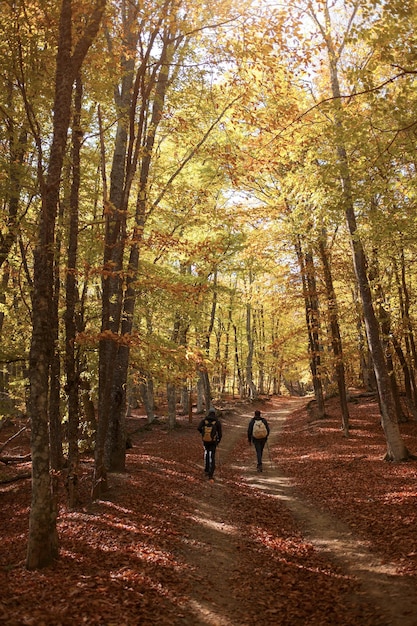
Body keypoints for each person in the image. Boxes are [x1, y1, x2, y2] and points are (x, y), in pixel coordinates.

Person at [197, 407, 222, 481]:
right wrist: (218, 441)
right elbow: (220, 433)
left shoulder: (204, 420)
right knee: (212, 455)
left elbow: (198, 428)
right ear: (214, 413)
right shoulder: (217, 422)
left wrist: (203, 433)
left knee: (206, 453)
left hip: (205, 441)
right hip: (213, 441)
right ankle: (211, 473)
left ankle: (206, 470)